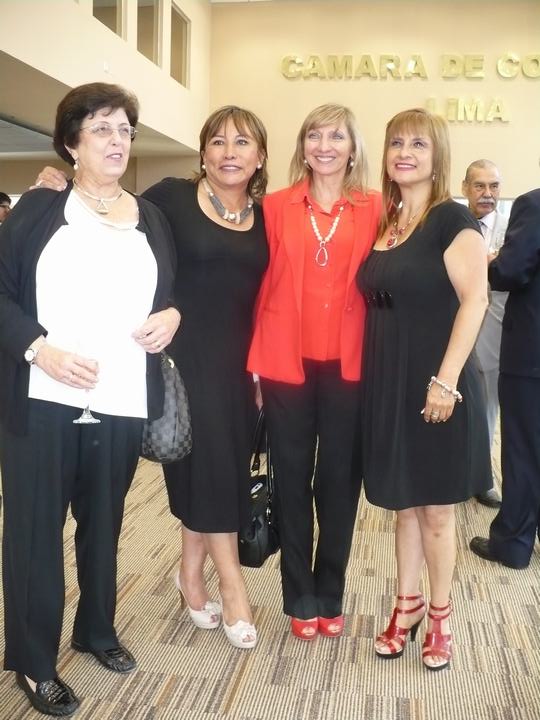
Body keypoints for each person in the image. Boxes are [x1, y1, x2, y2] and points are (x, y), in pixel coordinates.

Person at [35, 106, 269, 650]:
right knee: (212, 469)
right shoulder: (169, 198)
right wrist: (59, 184)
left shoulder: (266, 216)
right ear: (202, 153)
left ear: (260, 157)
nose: (228, 152)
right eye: (217, 142)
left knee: (217, 468)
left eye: (242, 142)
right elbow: (105, 211)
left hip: (241, 364)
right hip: (180, 356)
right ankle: (232, 588)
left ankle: (189, 575)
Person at [0, 83, 180, 716]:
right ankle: (33, 660)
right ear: (71, 143)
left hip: (120, 398)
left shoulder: (151, 218)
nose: (117, 140)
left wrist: (174, 315)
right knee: (35, 531)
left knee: (104, 523)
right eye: (102, 128)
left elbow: (169, 293)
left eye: (125, 129)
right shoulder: (39, 210)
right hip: (43, 397)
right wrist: (38, 350)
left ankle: (96, 629)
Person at [357, 108, 491, 671]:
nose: (404, 153)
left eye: (418, 144)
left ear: (437, 157)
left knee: (435, 511)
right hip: (390, 382)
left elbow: (475, 300)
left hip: (439, 384)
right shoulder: (387, 222)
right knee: (403, 505)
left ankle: (440, 616)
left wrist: (446, 381)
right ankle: (406, 602)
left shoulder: (450, 218)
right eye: (396, 143)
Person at [248, 104, 381, 640]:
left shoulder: (376, 207)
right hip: (286, 363)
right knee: (291, 477)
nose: (324, 146)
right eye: (314, 136)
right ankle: (299, 594)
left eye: (336, 136)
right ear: (302, 146)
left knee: (339, 481)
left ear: (352, 148)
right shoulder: (274, 206)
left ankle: (331, 591)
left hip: (352, 365)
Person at [470, 187, 540, 569]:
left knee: (522, 451)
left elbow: (511, 271)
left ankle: (513, 543)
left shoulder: (534, 204)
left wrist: (489, 262)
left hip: (531, 354)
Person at [462, 159, 508, 508]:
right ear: (465, 188)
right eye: (479, 186)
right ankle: (452, 471)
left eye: (494, 186)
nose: (487, 194)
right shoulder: (453, 223)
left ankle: (482, 479)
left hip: (494, 329)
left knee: (488, 407)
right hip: (453, 326)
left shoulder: (513, 226)